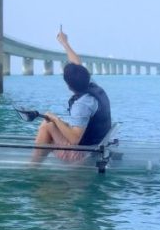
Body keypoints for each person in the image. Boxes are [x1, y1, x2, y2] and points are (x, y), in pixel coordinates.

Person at [31, 28, 112, 162]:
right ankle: (34, 165)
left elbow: (74, 139)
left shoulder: (82, 104)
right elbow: (77, 64)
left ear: (69, 86)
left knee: (46, 125)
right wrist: (65, 43)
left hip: (86, 155)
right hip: (98, 143)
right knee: (49, 124)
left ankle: (31, 168)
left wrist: (55, 119)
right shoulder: (91, 85)